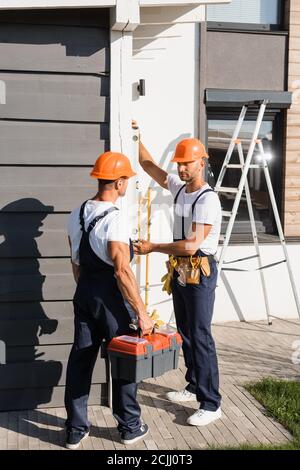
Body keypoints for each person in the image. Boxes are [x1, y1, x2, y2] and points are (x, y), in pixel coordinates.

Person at [133, 125, 222, 426]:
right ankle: (194, 384)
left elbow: (191, 245)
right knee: (185, 330)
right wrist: (137, 137)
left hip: (199, 268)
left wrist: (152, 247)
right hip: (181, 269)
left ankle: (211, 403)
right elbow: (148, 166)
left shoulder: (208, 200)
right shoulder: (180, 188)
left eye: (187, 163)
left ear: (202, 162)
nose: (181, 168)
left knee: (200, 335)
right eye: (179, 164)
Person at [65, 151, 154, 449]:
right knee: (124, 360)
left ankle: (75, 430)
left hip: (84, 292)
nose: (127, 183)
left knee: (80, 359)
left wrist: (87, 295)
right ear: (117, 182)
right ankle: (129, 427)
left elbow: (76, 263)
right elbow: (122, 271)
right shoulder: (115, 219)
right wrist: (141, 312)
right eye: (126, 178)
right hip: (110, 298)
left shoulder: (75, 214)